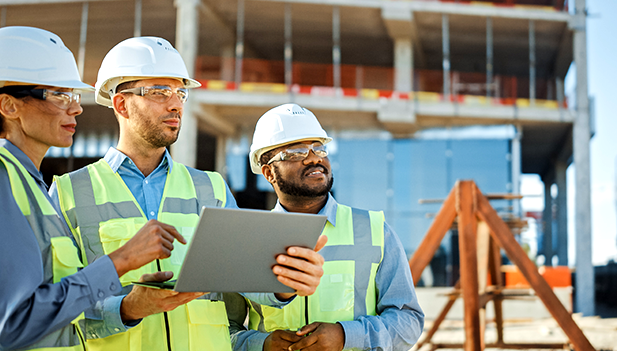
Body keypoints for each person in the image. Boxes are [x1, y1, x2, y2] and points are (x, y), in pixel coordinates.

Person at [50, 37, 325, 351]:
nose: (176, 104)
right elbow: (54, 309)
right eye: (159, 92)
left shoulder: (212, 188)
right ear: (122, 104)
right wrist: (127, 308)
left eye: (180, 92)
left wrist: (284, 284)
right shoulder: (69, 193)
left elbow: (245, 283)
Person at [0, 27, 188, 350]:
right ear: (9, 106)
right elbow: (13, 324)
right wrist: (121, 261)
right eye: (59, 95)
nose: (76, 109)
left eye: (73, 97)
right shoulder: (6, 178)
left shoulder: (29, 183)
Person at [226, 103, 425, 351]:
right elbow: (225, 330)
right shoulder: (246, 242)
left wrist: (345, 336)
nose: (314, 158)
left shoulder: (375, 231)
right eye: (296, 152)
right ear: (268, 173)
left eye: (319, 148)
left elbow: (408, 321)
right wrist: (261, 344)